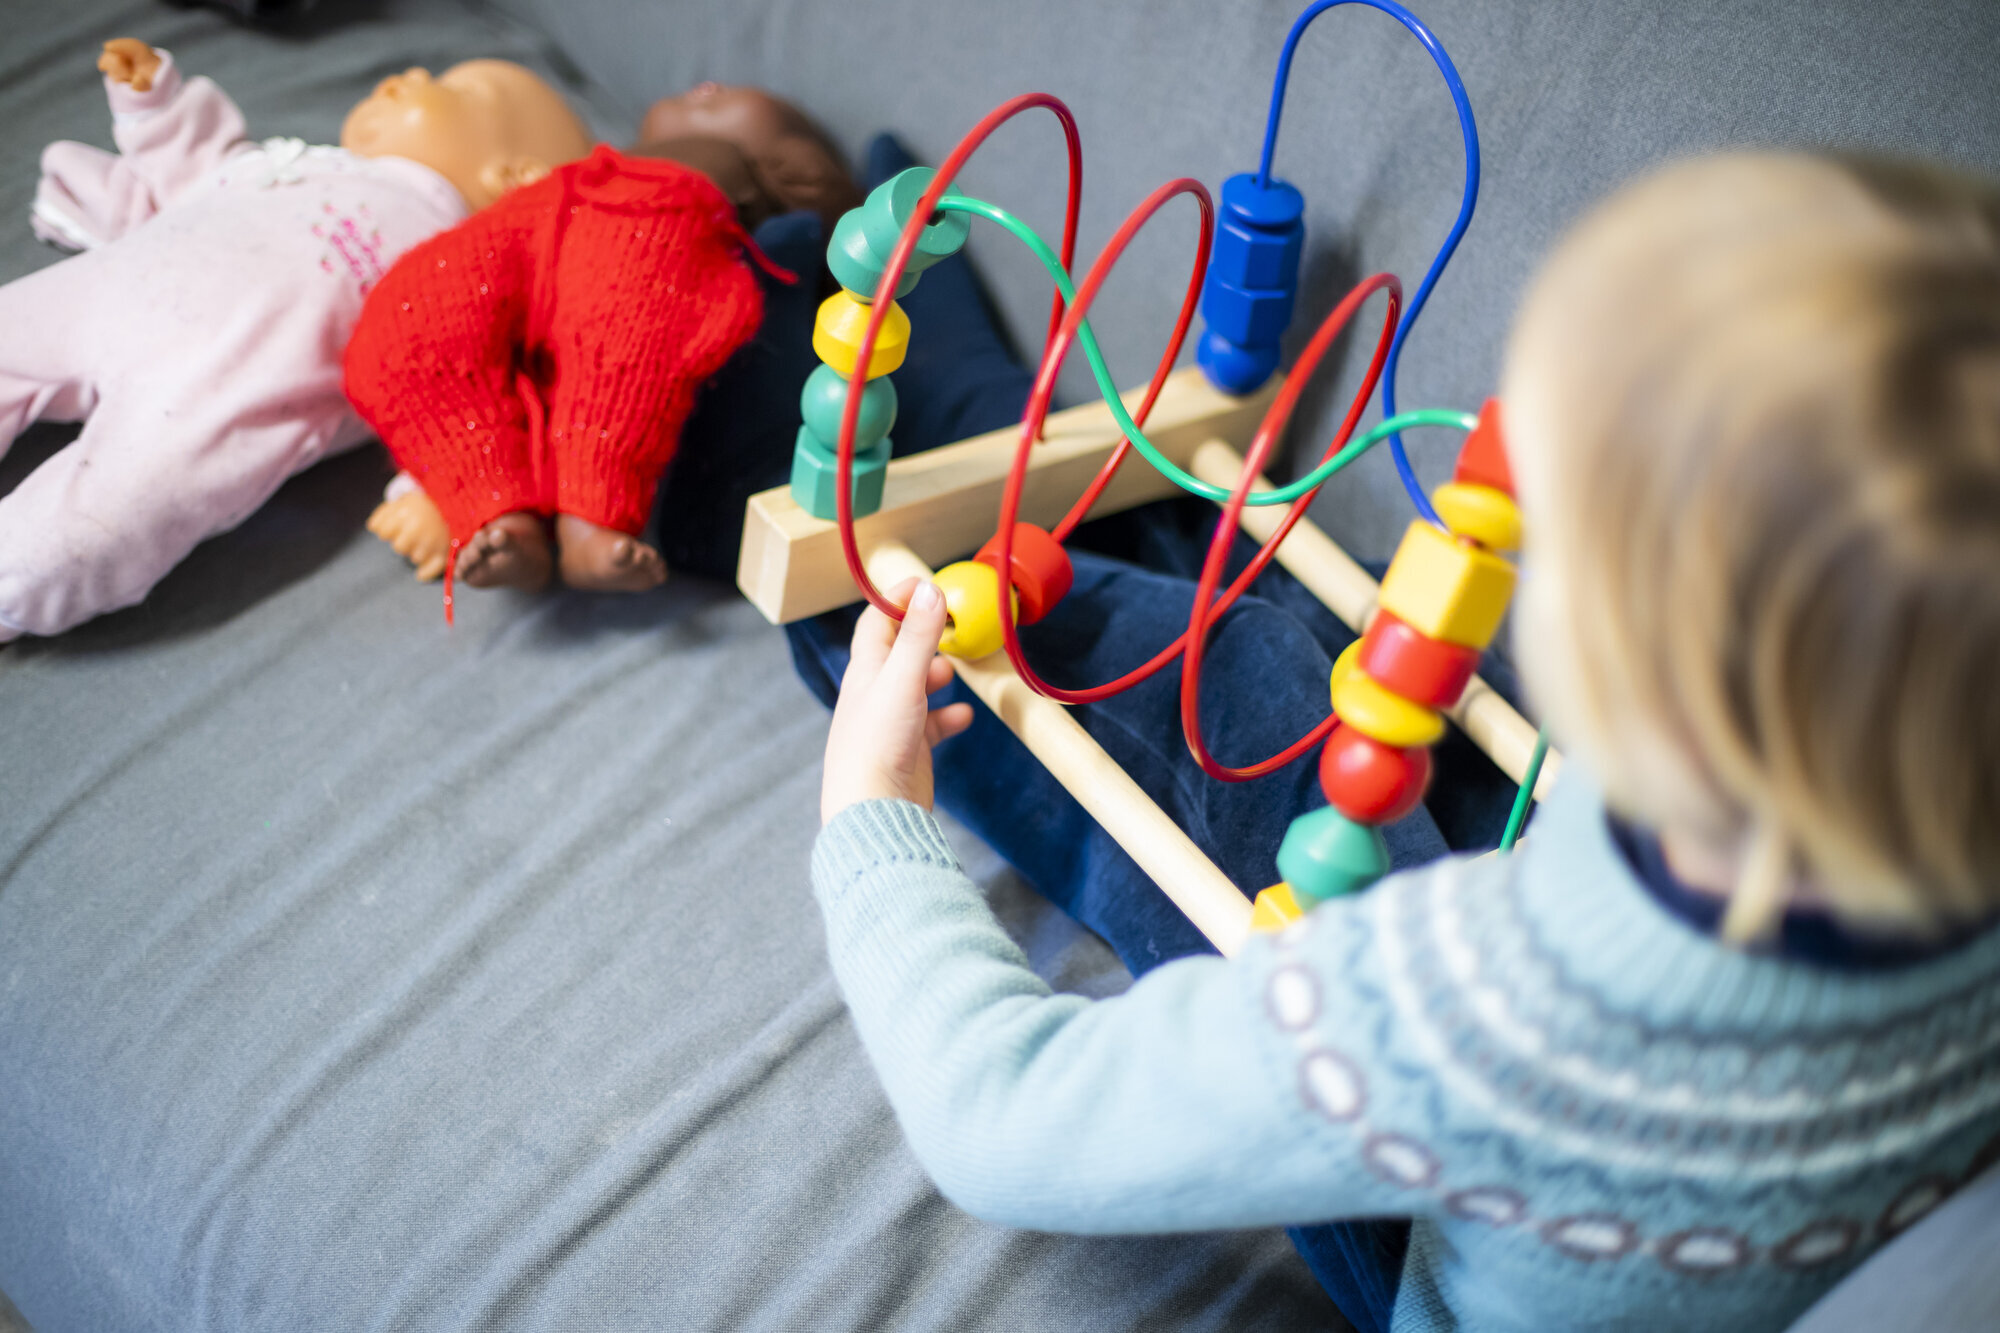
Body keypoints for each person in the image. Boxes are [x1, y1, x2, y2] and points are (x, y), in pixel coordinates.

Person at [802, 152, 2000, 1332]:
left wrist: (871, 809)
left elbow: (999, 1114)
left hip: (1447, 1220)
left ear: (1640, 675)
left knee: (1249, 681)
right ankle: (972, 390)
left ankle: (838, 583)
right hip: (1652, 1092)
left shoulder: (1475, 1018)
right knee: (1333, 623)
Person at [0, 41, 588, 640]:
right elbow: (208, 171)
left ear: (515, 177)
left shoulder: (466, 267)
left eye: (459, 89)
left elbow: (463, 398)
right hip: (122, 283)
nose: (408, 74)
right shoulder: (308, 161)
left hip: (224, 384)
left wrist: (441, 498)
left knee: (107, 517)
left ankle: (18, 576)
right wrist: (156, 105)